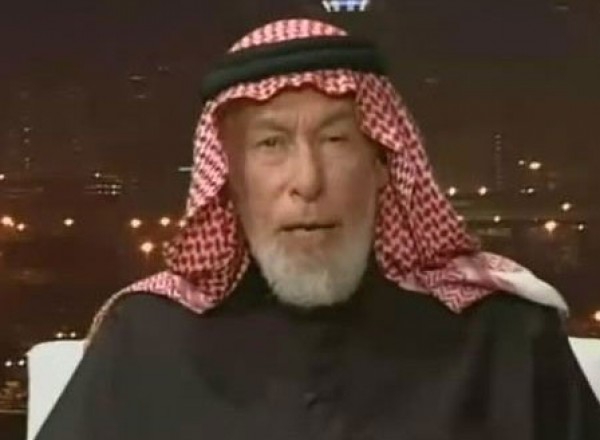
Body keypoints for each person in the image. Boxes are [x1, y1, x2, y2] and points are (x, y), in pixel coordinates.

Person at [36, 18, 600, 440]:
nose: (307, 181)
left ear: (381, 162)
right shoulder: (144, 341)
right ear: (229, 179)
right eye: (270, 144)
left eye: (335, 139)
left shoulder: (505, 338)